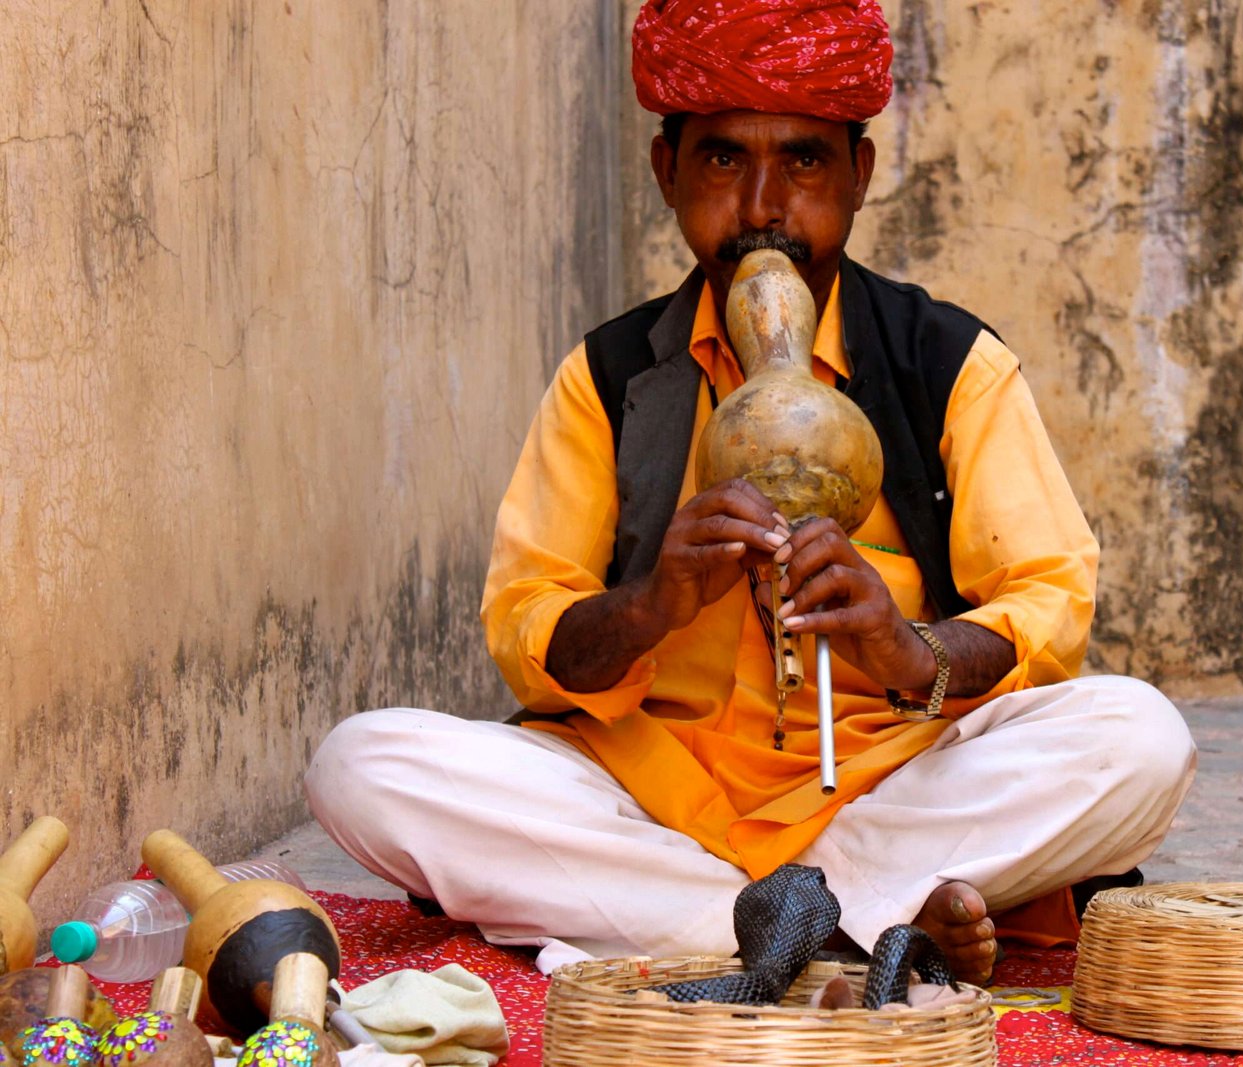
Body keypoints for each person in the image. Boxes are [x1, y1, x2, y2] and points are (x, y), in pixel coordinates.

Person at [306, 0, 1195, 985]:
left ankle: (769, 919)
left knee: (1138, 737)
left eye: (805, 162)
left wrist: (904, 645)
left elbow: (1048, 606)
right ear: (667, 172)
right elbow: (527, 626)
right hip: (654, 799)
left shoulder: (949, 365)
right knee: (362, 765)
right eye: (724, 159)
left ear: (858, 175)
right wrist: (651, 605)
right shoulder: (608, 379)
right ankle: (837, 927)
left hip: (888, 787)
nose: (765, 206)